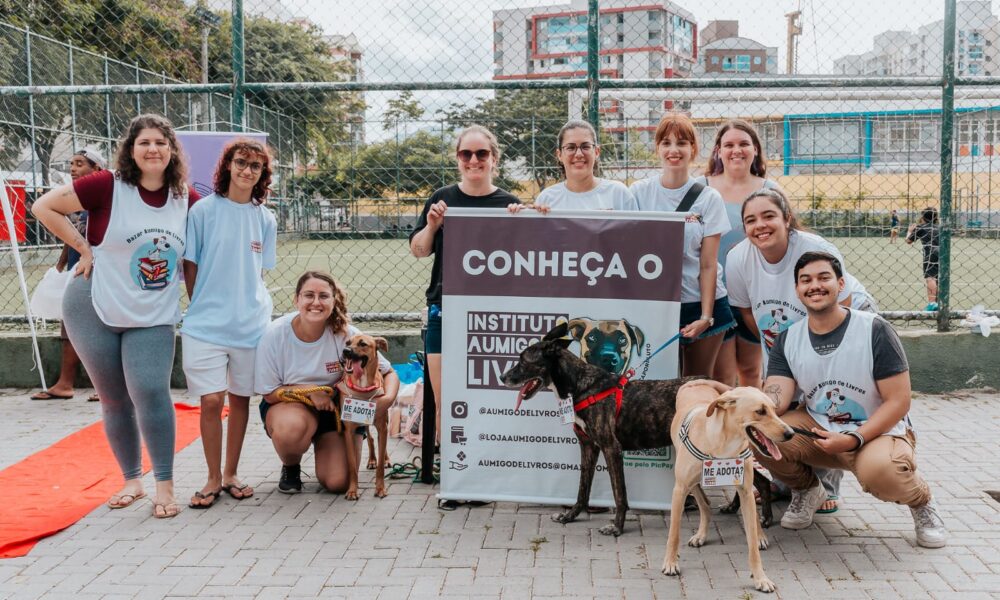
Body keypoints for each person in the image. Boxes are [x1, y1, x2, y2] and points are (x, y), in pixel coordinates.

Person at [31, 114, 199, 518]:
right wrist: (83, 249)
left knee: (151, 393)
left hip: (152, 312)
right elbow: (44, 206)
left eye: (161, 142)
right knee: (113, 399)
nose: (153, 149)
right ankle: (131, 479)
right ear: (131, 150)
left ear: (172, 150)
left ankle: (165, 485)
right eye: (144, 143)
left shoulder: (187, 199)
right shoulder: (107, 184)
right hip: (91, 303)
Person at [757, 251, 947, 549]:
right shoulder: (788, 338)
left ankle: (922, 502)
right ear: (797, 290)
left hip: (876, 430)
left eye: (823, 278)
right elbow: (776, 399)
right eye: (805, 280)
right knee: (761, 436)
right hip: (818, 430)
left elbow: (898, 402)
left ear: (841, 283)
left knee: (882, 474)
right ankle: (808, 490)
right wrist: (745, 403)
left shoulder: (873, 329)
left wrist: (854, 438)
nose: (814, 286)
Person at [727, 187, 877, 513]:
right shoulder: (738, 258)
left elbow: (843, 302)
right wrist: (784, 351)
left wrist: (815, 354)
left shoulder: (814, 249)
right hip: (787, 336)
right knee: (778, 406)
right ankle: (792, 483)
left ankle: (828, 483)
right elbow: (748, 313)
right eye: (751, 220)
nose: (760, 225)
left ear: (787, 219)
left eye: (769, 216)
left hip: (841, 323)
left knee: (823, 397)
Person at [409, 125, 520, 450]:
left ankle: (482, 471)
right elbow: (418, 250)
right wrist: (432, 226)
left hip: (492, 313)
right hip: (445, 310)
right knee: (447, 399)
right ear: (458, 159)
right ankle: (453, 477)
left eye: (481, 153)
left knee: (486, 398)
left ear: (494, 158)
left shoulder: (509, 203)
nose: (474, 160)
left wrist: (521, 222)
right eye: (466, 154)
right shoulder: (442, 199)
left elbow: (525, 259)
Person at [182, 139, 277, 508]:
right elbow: (190, 264)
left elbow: (259, 271)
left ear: (262, 174)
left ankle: (230, 473)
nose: (247, 170)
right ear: (228, 166)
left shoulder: (264, 218)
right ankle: (209, 478)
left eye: (255, 166)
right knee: (210, 401)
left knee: (240, 400)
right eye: (241, 162)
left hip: (250, 325)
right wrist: (202, 304)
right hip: (205, 326)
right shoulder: (203, 211)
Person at [254, 271, 399, 494]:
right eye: (308, 295)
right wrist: (310, 392)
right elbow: (269, 393)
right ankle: (291, 467)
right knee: (291, 429)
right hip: (291, 407)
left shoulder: (347, 335)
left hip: (338, 411)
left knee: (339, 482)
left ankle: (328, 447)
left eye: (323, 296)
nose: (316, 302)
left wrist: (387, 400)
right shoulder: (275, 335)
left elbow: (389, 373)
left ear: (334, 301)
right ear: (296, 299)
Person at [630, 113, 734, 377]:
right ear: (657, 148)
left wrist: (706, 316)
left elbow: (709, 264)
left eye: (682, 143)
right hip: (658, 303)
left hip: (699, 301)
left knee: (696, 384)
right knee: (658, 384)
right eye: (666, 143)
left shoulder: (709, 198)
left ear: (693, 150)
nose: (674, 150)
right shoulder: (639, 193)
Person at [696, 120, 782, 388]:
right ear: (718, 151)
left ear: (755, 149)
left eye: (744, 144)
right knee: (720, 376)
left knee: (750, 371)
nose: (737, 150)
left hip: (751, 293)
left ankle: (749, 426)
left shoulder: (771, 189)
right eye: (729, 145)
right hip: (712, 295)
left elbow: (784, 240)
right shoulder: (700, 188)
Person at [31, 148, 105, 402]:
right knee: (69, 326)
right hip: (76, 270)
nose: (73, 168)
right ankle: (65, 383)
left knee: (103, 328)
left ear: (97, 169)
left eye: (80, 163)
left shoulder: (102, 198)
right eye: (71, 163)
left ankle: (105, 385)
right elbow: (68, 237)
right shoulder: (68, 200)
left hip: (101, 272)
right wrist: (60, 266)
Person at [533, 120, 637, 211]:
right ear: (559, 155)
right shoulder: (546, 199)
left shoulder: (618, 194)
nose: (578, 154)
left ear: (596, 152)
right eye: (570, 147)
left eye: (585, 147)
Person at [906, 207, 940, 311]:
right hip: (942, 253)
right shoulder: (939, 227)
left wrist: (909, 231)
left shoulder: (921, 227)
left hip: (930, 253)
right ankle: (938, 303)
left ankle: (932, 303)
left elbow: (908, 241)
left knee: (930, 278)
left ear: (923, 217)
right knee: (938, 279)